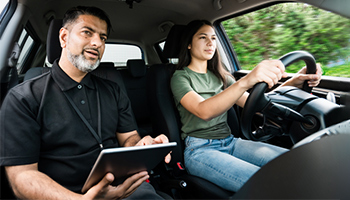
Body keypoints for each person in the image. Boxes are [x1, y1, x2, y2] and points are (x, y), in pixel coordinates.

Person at [0, 6, 171, 199]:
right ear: (64, 38)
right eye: (87, 33)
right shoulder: (23, 98)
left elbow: (129, 138)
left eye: (103, 38)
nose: (97, 43)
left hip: (124, 189)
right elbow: (22, 176)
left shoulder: (113, 90)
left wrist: (142, 145)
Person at [170, 20, 322, 192]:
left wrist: (295, 82)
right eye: (203, 37)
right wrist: (246, 81)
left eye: (213, 38)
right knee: (269, 183)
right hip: (200, 150)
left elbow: (256, 103)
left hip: (231, 142)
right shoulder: (180, 77)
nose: (210, 42)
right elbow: (203, 111)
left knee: (295, 163)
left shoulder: (221, 76)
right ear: (189, 44)